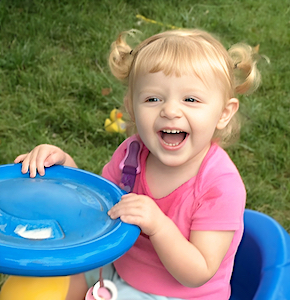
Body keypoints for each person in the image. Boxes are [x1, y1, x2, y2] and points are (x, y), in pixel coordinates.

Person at [14, 28, 261, 300]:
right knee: (37, 285)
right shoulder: (132, 154)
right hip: (115, 268)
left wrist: (158, 225)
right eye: (153, 99)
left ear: (223, 114)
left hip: (176, 295)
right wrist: (63, 170)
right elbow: (101, 210)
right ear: (132, 107)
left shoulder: (220, 186)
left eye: (190, 99)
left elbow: (198, 271)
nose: (170, 110)